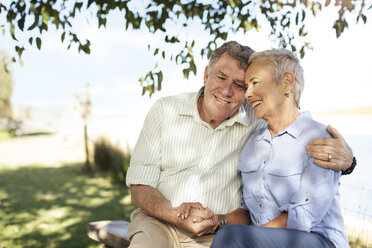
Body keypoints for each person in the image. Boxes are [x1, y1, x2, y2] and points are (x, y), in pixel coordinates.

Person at [125, 41, 355, 248]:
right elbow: (139, 185)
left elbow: (290, 115)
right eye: (221, 78)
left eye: (243, 85)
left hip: (253, 237)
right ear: (206, 75)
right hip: (161, 224)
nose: (239, 93)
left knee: (232, 239)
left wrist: (349, 161)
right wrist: (196, 218)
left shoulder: (272, 126)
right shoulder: (254, 138)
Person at [208, 49, 349, 248]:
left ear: (286, 83)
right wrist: (217, 221)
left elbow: (303, 217)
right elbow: (248, 210)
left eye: (255, 83)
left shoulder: (318, 138)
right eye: (246, 86)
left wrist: (248, 236)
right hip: (263, 240)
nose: (248, 94)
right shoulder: (252, 144)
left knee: (232, 238)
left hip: (318, 240)